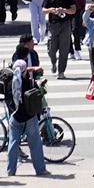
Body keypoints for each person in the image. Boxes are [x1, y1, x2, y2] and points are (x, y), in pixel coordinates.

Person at [6, 35, 48, 177]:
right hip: (28, 115)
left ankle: (11, 170)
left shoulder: (11, 78)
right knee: (35, 142)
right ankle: (40, 169)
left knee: (13, 142)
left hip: (14, 113)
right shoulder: (27, 82)